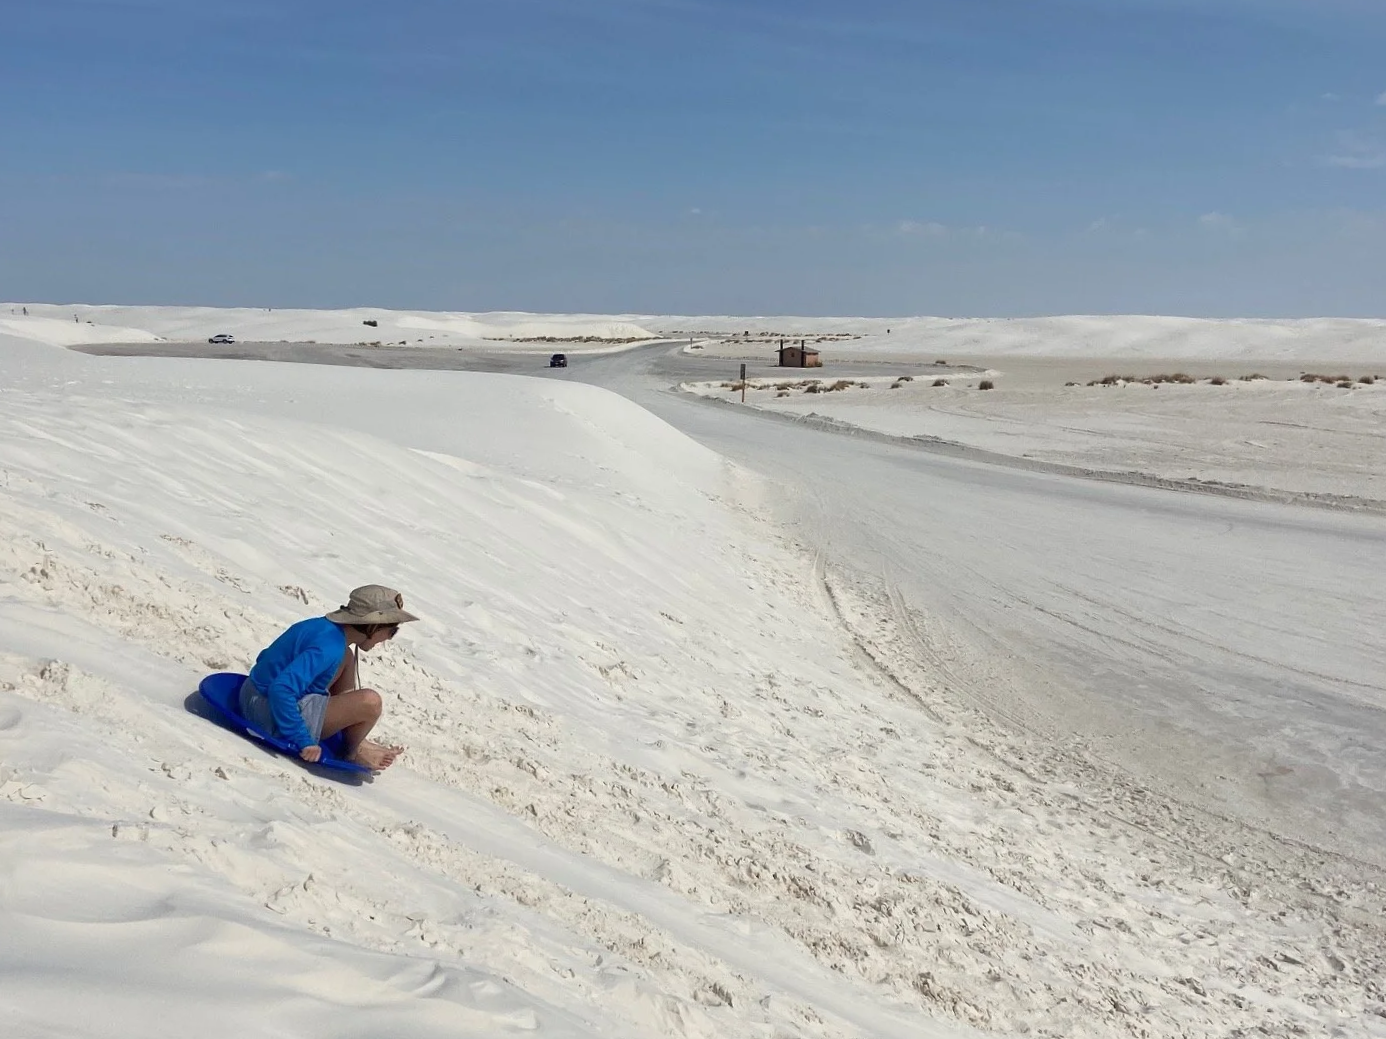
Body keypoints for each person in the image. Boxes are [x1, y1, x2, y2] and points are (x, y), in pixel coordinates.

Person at [240, 585, 418, 771]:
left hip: (251, 694)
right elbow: (281, 689)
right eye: (392, 631)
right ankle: (352, 753)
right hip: (269, 716)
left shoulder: (323, 628)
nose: (389, 639)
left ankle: (358, 742)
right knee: (370, 702)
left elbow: (266, 658)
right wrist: (304, 740)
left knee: (347, 656)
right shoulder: (329, 648)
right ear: (374, 626)